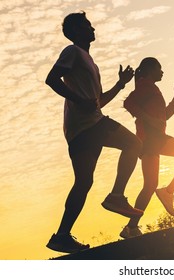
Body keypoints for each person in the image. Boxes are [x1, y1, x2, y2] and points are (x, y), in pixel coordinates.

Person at [45, 11, 143, 253]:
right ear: (76, 31)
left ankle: (62, 236)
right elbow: (52, 79)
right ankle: (116, 197)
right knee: (134, 144)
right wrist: (80, 100)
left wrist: (120, 85)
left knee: (83, 182)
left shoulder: (89, 62)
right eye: (88, 25)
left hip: (80, 129)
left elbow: (96, 101)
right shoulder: (73, 52)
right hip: (89, 125)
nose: (93, 29)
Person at [121, 57, 174, 238]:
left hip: (149, 141)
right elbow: (128, 103)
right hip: (153, 139)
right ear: (150, 70)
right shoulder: (145, 86)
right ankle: (168, 191)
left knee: (149, 186)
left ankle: (131, 228)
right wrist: (147, 119)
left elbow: (164, 116)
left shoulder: (152, 89)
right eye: (160, 68)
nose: (163, 72)